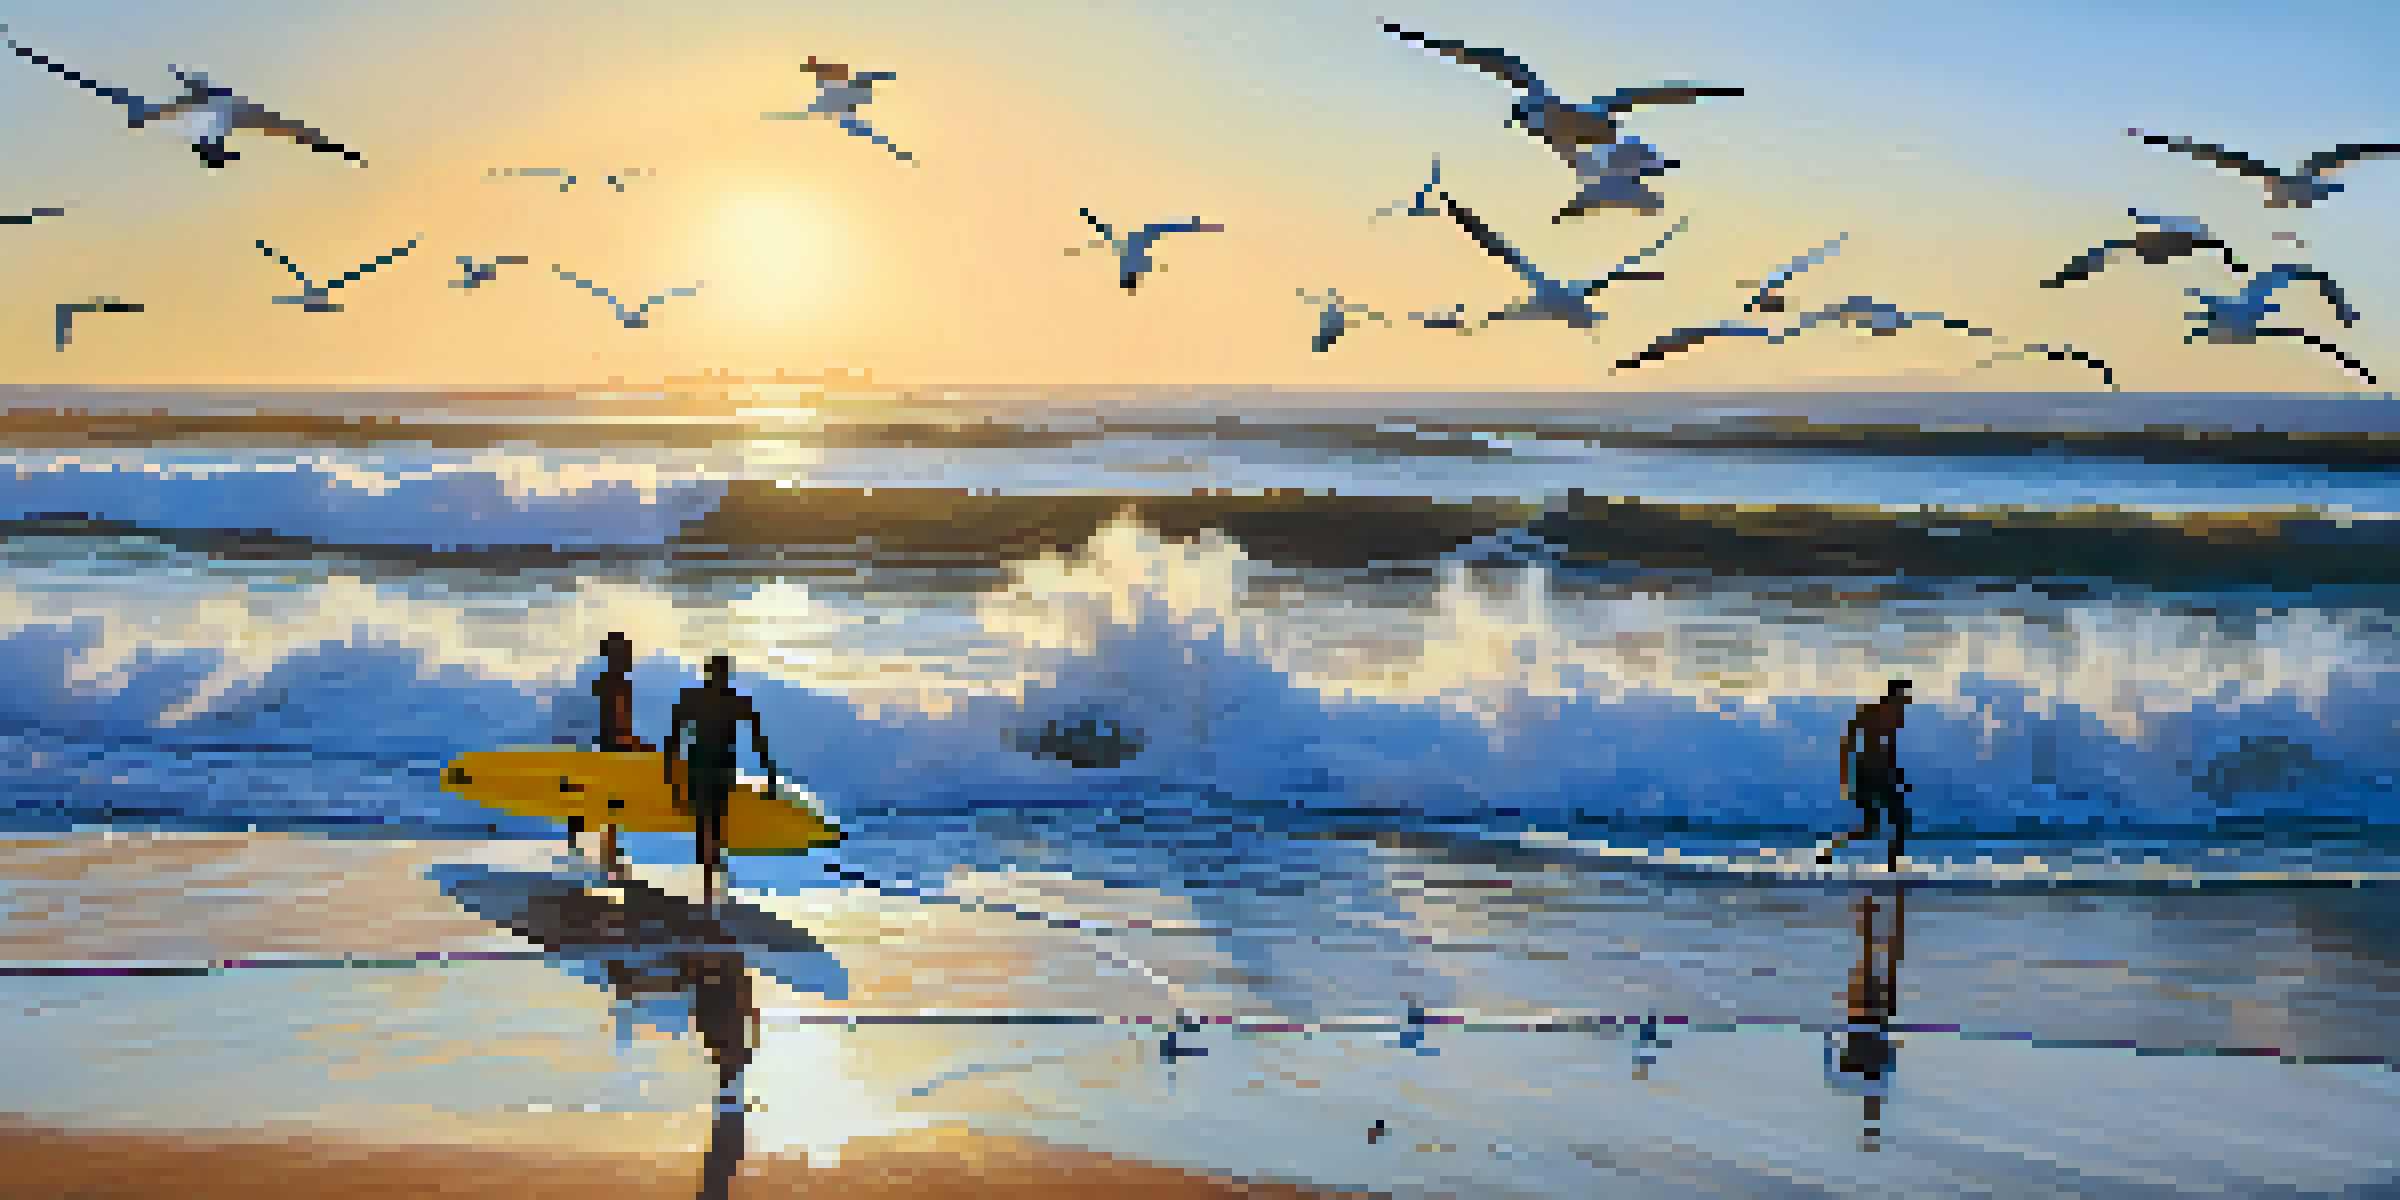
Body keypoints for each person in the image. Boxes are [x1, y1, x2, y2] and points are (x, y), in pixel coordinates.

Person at [665, 655, 778, 907]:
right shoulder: (730, 700)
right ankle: (710, 886)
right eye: (721, 674)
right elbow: (674, 738)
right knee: (709, 822)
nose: (721, 679)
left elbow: (674, 739)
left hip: (709, 768)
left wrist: (769, 772)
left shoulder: (704, 699)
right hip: (713, 767)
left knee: (708, 823)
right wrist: (769, 772)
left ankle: (709, 884)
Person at [1823, 679, 1912, 869]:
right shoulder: (1869, 711)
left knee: (1898, 820)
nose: (1905, 702)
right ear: (1894, 696)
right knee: (1871, 827)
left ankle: (1892, 865)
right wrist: (1846, 775)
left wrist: (1899, 778)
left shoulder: (1897, 718)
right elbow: (1847, 741)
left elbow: (1890, 749)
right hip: (1866, 774)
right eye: (1903, 697)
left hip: (1883, 774)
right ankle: (1831, 849)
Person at [585, 632, 653, 877]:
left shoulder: (609, 682)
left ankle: (608, 856)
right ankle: (609, 858)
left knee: (613, 807)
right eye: (624, 654)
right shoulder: (615, 683)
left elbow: (615, 722)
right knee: (613, 806)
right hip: (615, 749)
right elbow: (617, 723)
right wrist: (637, 745)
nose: (628, 658)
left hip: (611, 747)